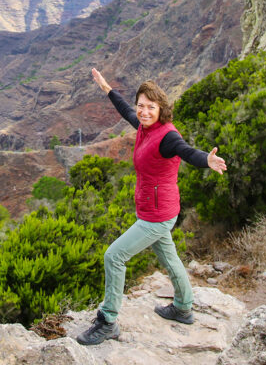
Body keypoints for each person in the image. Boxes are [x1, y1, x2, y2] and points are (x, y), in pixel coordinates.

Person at [76, 68, 227, 346]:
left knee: (114, 256)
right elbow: (125, 110)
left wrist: (206, 160)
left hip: (157, 215)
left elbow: (186, 151)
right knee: (169, 257)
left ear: (161, 110)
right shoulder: (145, 127)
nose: (144, 112)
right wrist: (107, 88)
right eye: (141, 106)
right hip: (154, 209)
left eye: (151, 107)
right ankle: (183, 308)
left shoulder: (167, 136)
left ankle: (108, 321)